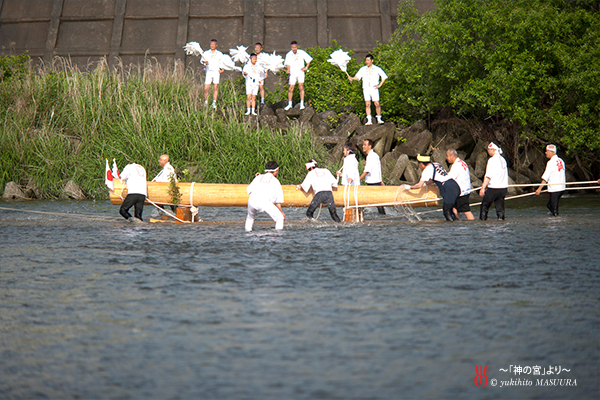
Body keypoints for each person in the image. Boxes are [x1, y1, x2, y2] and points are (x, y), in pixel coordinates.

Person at [410, 154, 461, 221]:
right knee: (451, 210)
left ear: (421, 164)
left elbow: (419, 185)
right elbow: (435, 178)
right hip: (455, 186)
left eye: (419, 164)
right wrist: (427, 184)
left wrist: (410, 187)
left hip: (449, 189)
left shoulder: (426, 170)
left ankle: (451, 229)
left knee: (446, 211)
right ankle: (456, 224)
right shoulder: (436, 164)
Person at [245, 161, 285, 231]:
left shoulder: (258, 177)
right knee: (280, 218)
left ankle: (247, 232)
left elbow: (248, 190)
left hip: (252, 200)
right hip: (264, 202)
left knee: (250, 217)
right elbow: (278, 201)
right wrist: (281, 212)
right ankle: (279, 235)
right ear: (275, 171)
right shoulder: (276, 181)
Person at [348, 54, 387, 125]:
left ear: (372, 60)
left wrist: (379, 85)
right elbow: (357, 77)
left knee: (377, 104)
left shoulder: (377, 69)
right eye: (366, 60)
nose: (367, 62)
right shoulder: (362, 69)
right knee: (367, 104)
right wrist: (352, 78)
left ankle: (379, 118)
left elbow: (384, 77)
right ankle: (369, 120)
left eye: (368, 60)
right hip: (366, 88)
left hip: (374, 88)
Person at [479, 142, 509, 220]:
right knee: (500, 207)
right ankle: (501, 219)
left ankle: (482, 221)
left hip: (494, 187)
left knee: (484, 205)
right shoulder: (503, 159)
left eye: (489, 149)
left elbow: (488, 175)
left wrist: (483, 188)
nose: (488, 151)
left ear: (494, 150)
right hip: (503, 188)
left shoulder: (492, 160)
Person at [535, 144, 566, 216]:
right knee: (549, 205)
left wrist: (539, 189)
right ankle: (555, 219)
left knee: (553, 207)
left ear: (551, 152)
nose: (545, 153)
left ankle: (556, 222)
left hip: (555, 188)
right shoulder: (561, 161)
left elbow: (546, 177)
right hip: (561, 188)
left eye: (546, 151)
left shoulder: (551, 162)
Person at [446, 148, 475, 220]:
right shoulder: (462, 162)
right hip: (464, 190)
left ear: (452, 155)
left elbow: (449, 178)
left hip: (462, 191)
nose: (446, 158)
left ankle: (473, 225)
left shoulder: (456, 165)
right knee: (455, 209)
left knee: (466, 211)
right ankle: (456, 223)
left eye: (447, 156)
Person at [284, 41, 312, 110]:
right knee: (291, 88)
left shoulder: (301, 52)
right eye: (293, 48)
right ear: (291, 47)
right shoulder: (289, 54)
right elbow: (287, 63)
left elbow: (309, 59)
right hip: (293, 72)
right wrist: (288, 69)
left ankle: (302, 104)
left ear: (297, 47)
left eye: (295, 47)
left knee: (301, 86)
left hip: (300, 72)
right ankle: (289, 104)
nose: (294, 49)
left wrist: (306, 67)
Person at [360, 139, 386, 214]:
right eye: (363, 144)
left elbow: (367, 170)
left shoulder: (371, 156)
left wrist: (358, 179)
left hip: (373, 183)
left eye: (365, 145)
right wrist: (381, 181)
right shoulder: (375, 155)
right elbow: (378, 169)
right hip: (375, 182)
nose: (363, 146)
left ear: (370, 146)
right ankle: (383, 215)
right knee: (378, 203)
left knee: (367, 200)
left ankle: (361, 214)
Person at [201, 39, 225, 109]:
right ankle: (206, 102)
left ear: (216, 45)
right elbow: (202, 61)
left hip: (216, 72)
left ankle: (214, 102)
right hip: (209, 71)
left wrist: (222, 68)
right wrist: (205, 62)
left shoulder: (219, 54)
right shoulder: (206, 53)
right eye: (211, 44)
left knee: (215, 87)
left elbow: (222, 62)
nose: (212, 46)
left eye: (214, 44)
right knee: (206, 88)